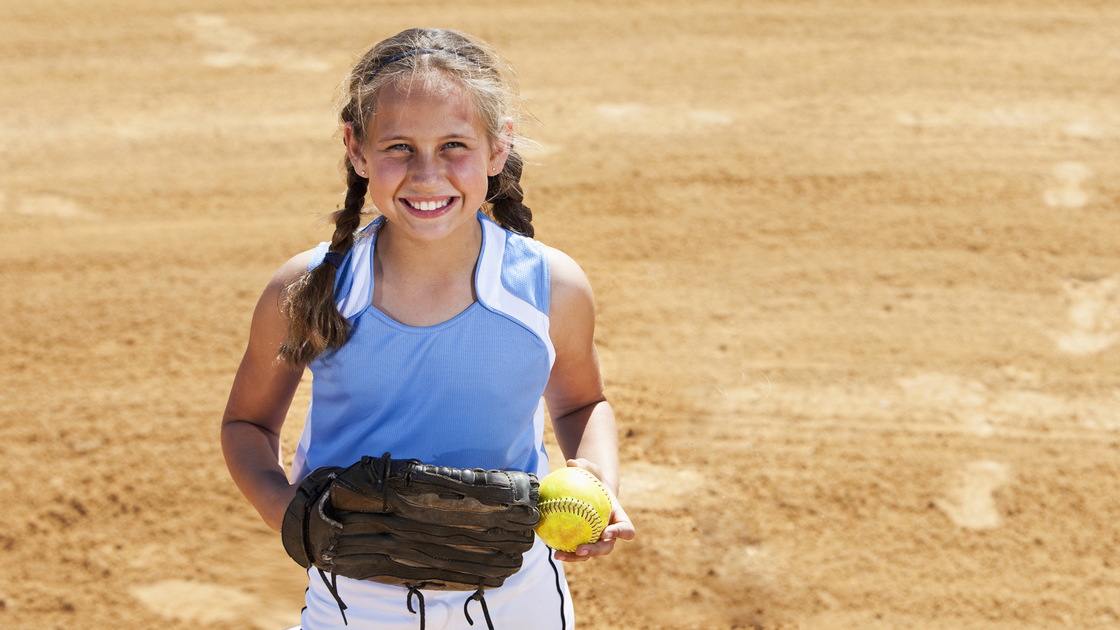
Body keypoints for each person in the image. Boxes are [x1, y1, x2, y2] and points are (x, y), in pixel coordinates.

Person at [220, 27, 635, 630]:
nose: (427, 173)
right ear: (356, 150)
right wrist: (288, 514)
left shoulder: (549, 287)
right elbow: (248, 424)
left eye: (453, 146)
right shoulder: (310, 288)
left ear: (499, 148)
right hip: (354, 601)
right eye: (399, 148)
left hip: (517, 596)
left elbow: (581, 404)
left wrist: (596, 483)